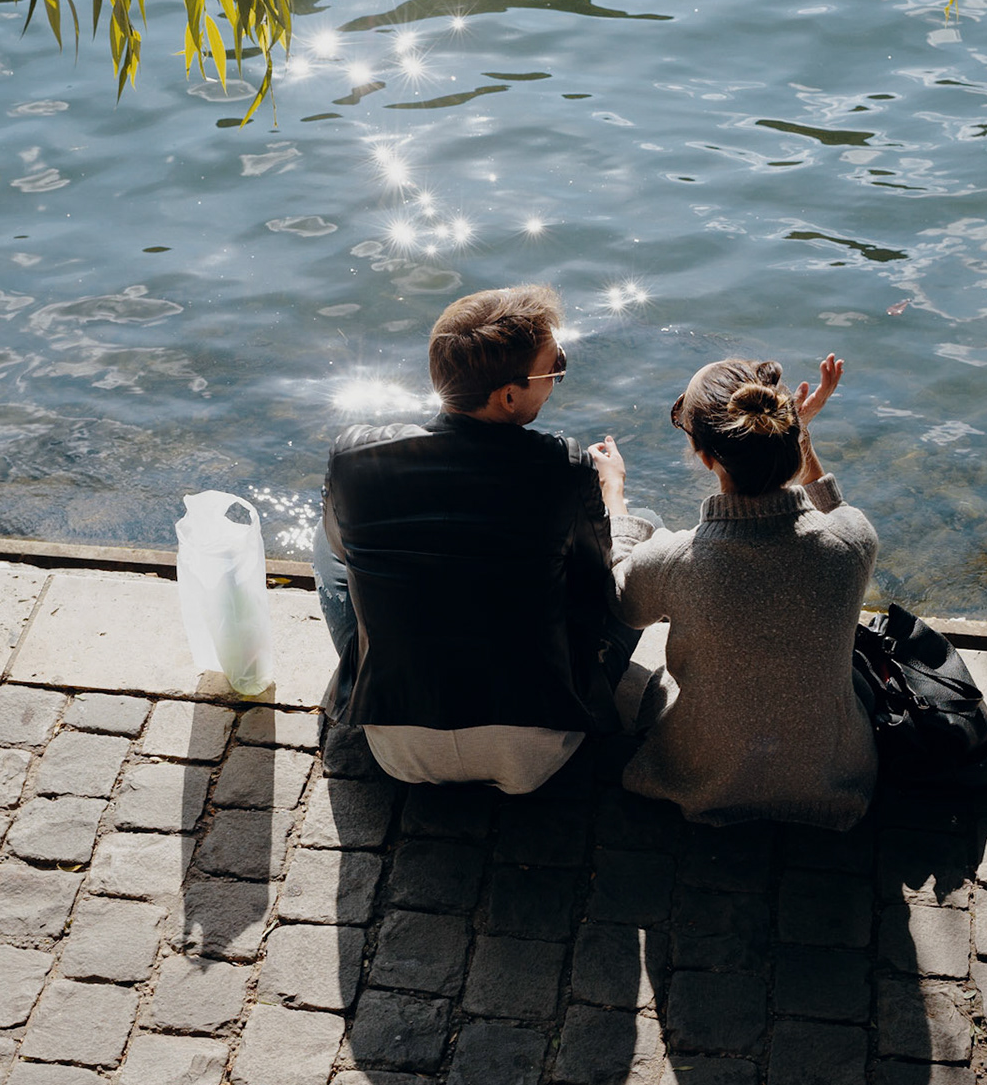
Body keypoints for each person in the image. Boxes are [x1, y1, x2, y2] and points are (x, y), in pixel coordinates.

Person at [314, 284, 645, 794]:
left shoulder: (353, 457)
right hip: (532, 750)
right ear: (508, 395)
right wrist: (613, 494)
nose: (558, 375)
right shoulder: (564, 466)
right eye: (554, 366)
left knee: (333, 546)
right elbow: (600, 580)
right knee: (636, 537)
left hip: (398, 745)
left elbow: (344, 552)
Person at [592, 353, 879, 828]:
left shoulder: (675, 561)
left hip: (702, 778)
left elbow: (621, 600)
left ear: (706, 456)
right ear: (787, 434)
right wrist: (799, 440)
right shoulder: (854, 541)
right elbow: (833, 508)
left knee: (640, 683)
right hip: (835, 779)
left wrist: (614, 496)